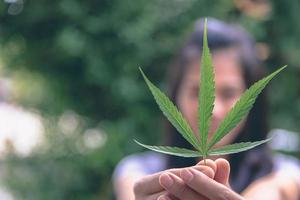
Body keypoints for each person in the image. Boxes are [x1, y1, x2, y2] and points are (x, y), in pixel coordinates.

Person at [113, 18, 300, 200]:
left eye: (228, 93)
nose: (213, 111)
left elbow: (278, 189)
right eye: (197, 93)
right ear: (176, 96)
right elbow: (131, 186)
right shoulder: (139, 170)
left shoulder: (284, 172)